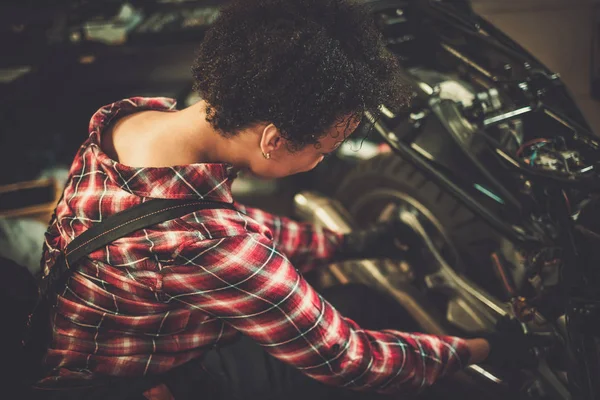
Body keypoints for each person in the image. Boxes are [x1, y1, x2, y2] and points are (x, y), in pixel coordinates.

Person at [33, 0, 540, 399]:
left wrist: (354, 244)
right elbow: (350, 360)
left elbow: (232, 224)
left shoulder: (129, 122)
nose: (323, 160)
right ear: (274, 140)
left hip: (76, 345)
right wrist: (484, 347)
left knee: (362, 301)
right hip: (134, 385)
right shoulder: (206, 245)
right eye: (324, 150)